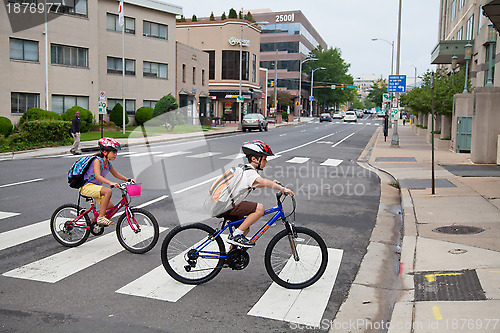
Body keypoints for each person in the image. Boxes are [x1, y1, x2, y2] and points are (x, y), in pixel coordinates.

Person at [223, 140, 295, 247]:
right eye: (264, 159)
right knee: (260, 209)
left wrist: (273, 184)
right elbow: (261, 181)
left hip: (225, 204)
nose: (266, 162)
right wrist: (282, 188)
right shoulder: (249, 171)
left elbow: (258, 183)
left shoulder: (245, 169)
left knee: (245, 229)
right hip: (227, 205)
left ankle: (229, 255)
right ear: (254, 159)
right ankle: (236, 235)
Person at [79, 138, 135, 226]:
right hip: (86, 186)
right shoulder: (97, 161)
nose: (115, 154)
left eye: (116, 152)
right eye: (113, 152)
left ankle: (93, 222)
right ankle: (101, 218)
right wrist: (110, 183)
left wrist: (128, 180)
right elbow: (98, 176)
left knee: (110, 207)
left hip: (96, 188)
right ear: (105, 152)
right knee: (108, 191)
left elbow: (116, 174)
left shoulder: (108, 163)